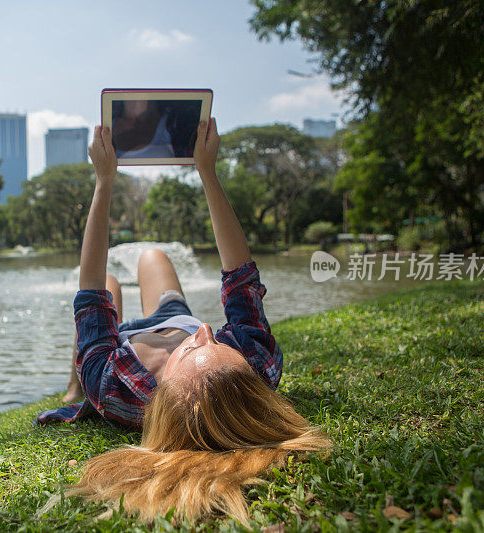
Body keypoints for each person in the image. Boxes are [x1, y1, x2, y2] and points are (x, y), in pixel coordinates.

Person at [37, 118, 330, 523]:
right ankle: (160, 342)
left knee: (105, 288)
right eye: (220, 346)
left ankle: (72, 388)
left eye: (198, 347)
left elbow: (88, 298)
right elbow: (241, 277)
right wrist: (207, 171)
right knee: (152, 256)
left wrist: (103, 182)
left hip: (125, 344)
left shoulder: (114, 387)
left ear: (165, 390)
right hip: (175, 318)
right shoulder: (256, 365)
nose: (209, 331)